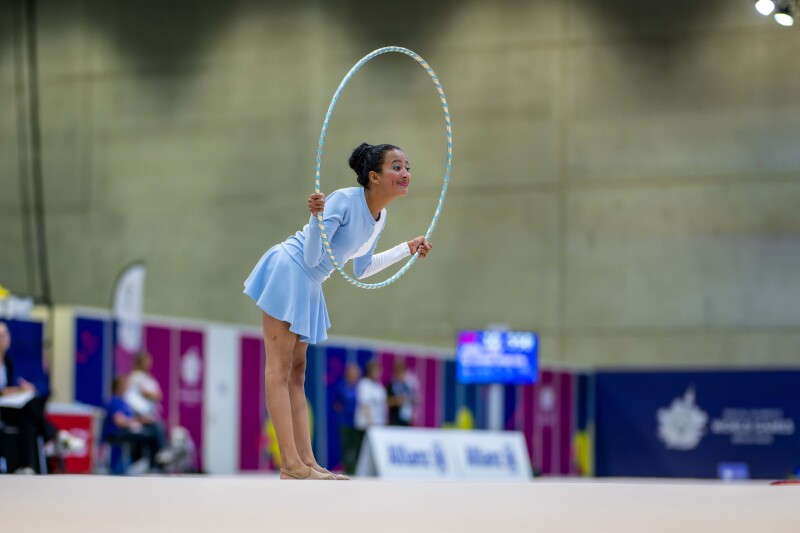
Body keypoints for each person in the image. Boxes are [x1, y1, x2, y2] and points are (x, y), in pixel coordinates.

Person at [243, 143, 432, 480]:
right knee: (279, 368)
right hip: (290, 269)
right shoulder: (344, 200)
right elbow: (314, 254)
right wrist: (315, 218)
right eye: (397, 166)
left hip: (311, 283)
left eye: (407, 166)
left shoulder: (380, 217)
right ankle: (289, 464)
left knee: (297, 373)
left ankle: (307, 462)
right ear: (374, 176)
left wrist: (407, 248)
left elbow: (362, 268)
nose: (405, 173)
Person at [0, 320, 76, 473]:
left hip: (9, 408)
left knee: (28, 418)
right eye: (1, 336)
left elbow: (8, 388)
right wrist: (16, 391)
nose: (4, 339)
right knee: (31, 404)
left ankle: (27, 466)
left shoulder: (8, 362)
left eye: (6, 335)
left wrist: (23, 389)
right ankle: (55, 436)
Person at [102, 375, 171, 473]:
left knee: (153, 427)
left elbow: (130, 418)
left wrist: (141, 420)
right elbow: (119, 422)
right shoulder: (114, 401)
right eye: (124, 386)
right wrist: (135, 422)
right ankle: (152, 462)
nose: (126, 389)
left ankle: (158, 459)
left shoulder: (123, 402)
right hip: (118, 432)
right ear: (119, 387)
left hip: (128, 429)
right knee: (148, 435)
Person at [333, 363, 361, 475]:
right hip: (346, 422)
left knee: (357, 446)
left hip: (358, 423)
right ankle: (348, 469)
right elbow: (336, 404)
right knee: (347, 447)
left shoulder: (360, 387)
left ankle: (356, 469)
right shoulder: (342, 386)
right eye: (353, 373)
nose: (355, 375)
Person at [125, 352, 163, 420]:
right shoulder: (135, 376)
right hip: (138, 414)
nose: (148, 365)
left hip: (150, 414)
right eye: (145, 362)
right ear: (140, 362)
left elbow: (159, 396)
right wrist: (153, 396)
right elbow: (146, 393)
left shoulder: (149, 378)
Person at [355, 359, 387, 432]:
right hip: (365, 425)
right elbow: (364, 405)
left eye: (379, 370)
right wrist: (371, 424)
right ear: (369, 371)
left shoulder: (380, 387)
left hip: (379, 424)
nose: (378, 373)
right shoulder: (364, 384)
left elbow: (383, 406)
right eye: (375, 370)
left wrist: (384, 423)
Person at [386, 359, 417, 427]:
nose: (401, 373)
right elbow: (387, 402)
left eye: (403, 371)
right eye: (398, 371)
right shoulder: (391, 386)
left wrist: (413, 401)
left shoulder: (408, 386)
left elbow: (413, 400)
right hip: (395, 421)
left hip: (407, 420)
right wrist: (397, 401)